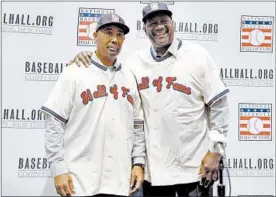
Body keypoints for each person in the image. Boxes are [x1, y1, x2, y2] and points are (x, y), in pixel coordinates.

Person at [70, 2, 230, 197]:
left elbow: (219, 106)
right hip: (153, 175)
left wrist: (215, 151)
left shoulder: (197, 56)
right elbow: (109, 72)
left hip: (193, 169)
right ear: (144, 29)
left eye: (164, 21)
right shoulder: (135, 64)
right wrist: (87, 57)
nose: (159, 26)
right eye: (152, 23)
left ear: (173, 24)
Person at [41, 13, 146, 197]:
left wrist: (138, 163)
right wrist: (58, 167)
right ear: (95, 35)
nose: (114, 39)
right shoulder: (75, 71)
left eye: (120, 34)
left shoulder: (129, 77)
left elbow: (137, 126)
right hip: (79, 181)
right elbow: (54, 121)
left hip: (120, 183)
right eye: (108, 32)